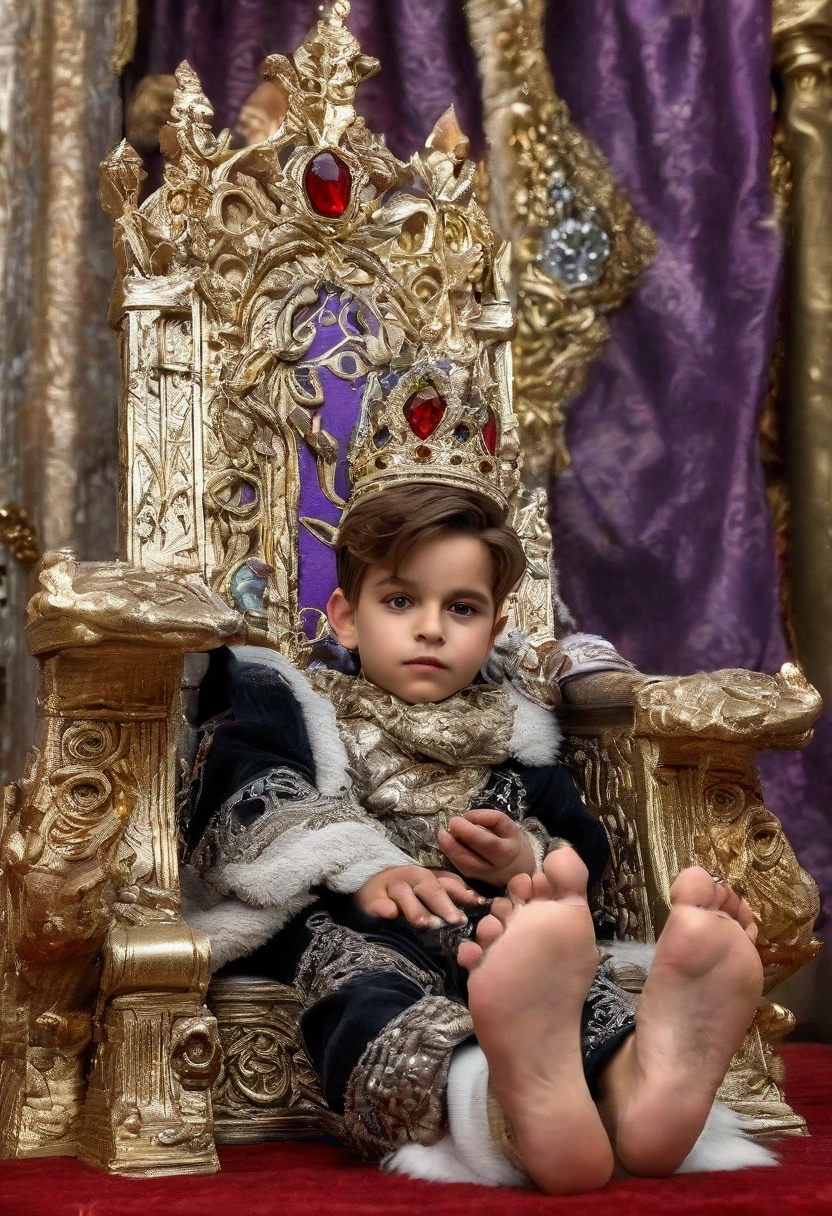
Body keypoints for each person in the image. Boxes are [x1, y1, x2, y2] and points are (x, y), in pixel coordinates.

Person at [184, 482, 769, 1193]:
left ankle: (639, 1084)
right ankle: (497, 1101)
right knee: (362, 989)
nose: (431, 628)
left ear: (491, 632)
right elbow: (251, 787)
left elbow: (582, 848)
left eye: (460, 608)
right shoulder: (294, 703)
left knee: (562, 971)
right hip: (348, 923)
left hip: (488, 931)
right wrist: (364, 865)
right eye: (400, 601)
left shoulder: (515, 742)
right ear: (345, 617)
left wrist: (530, 860)